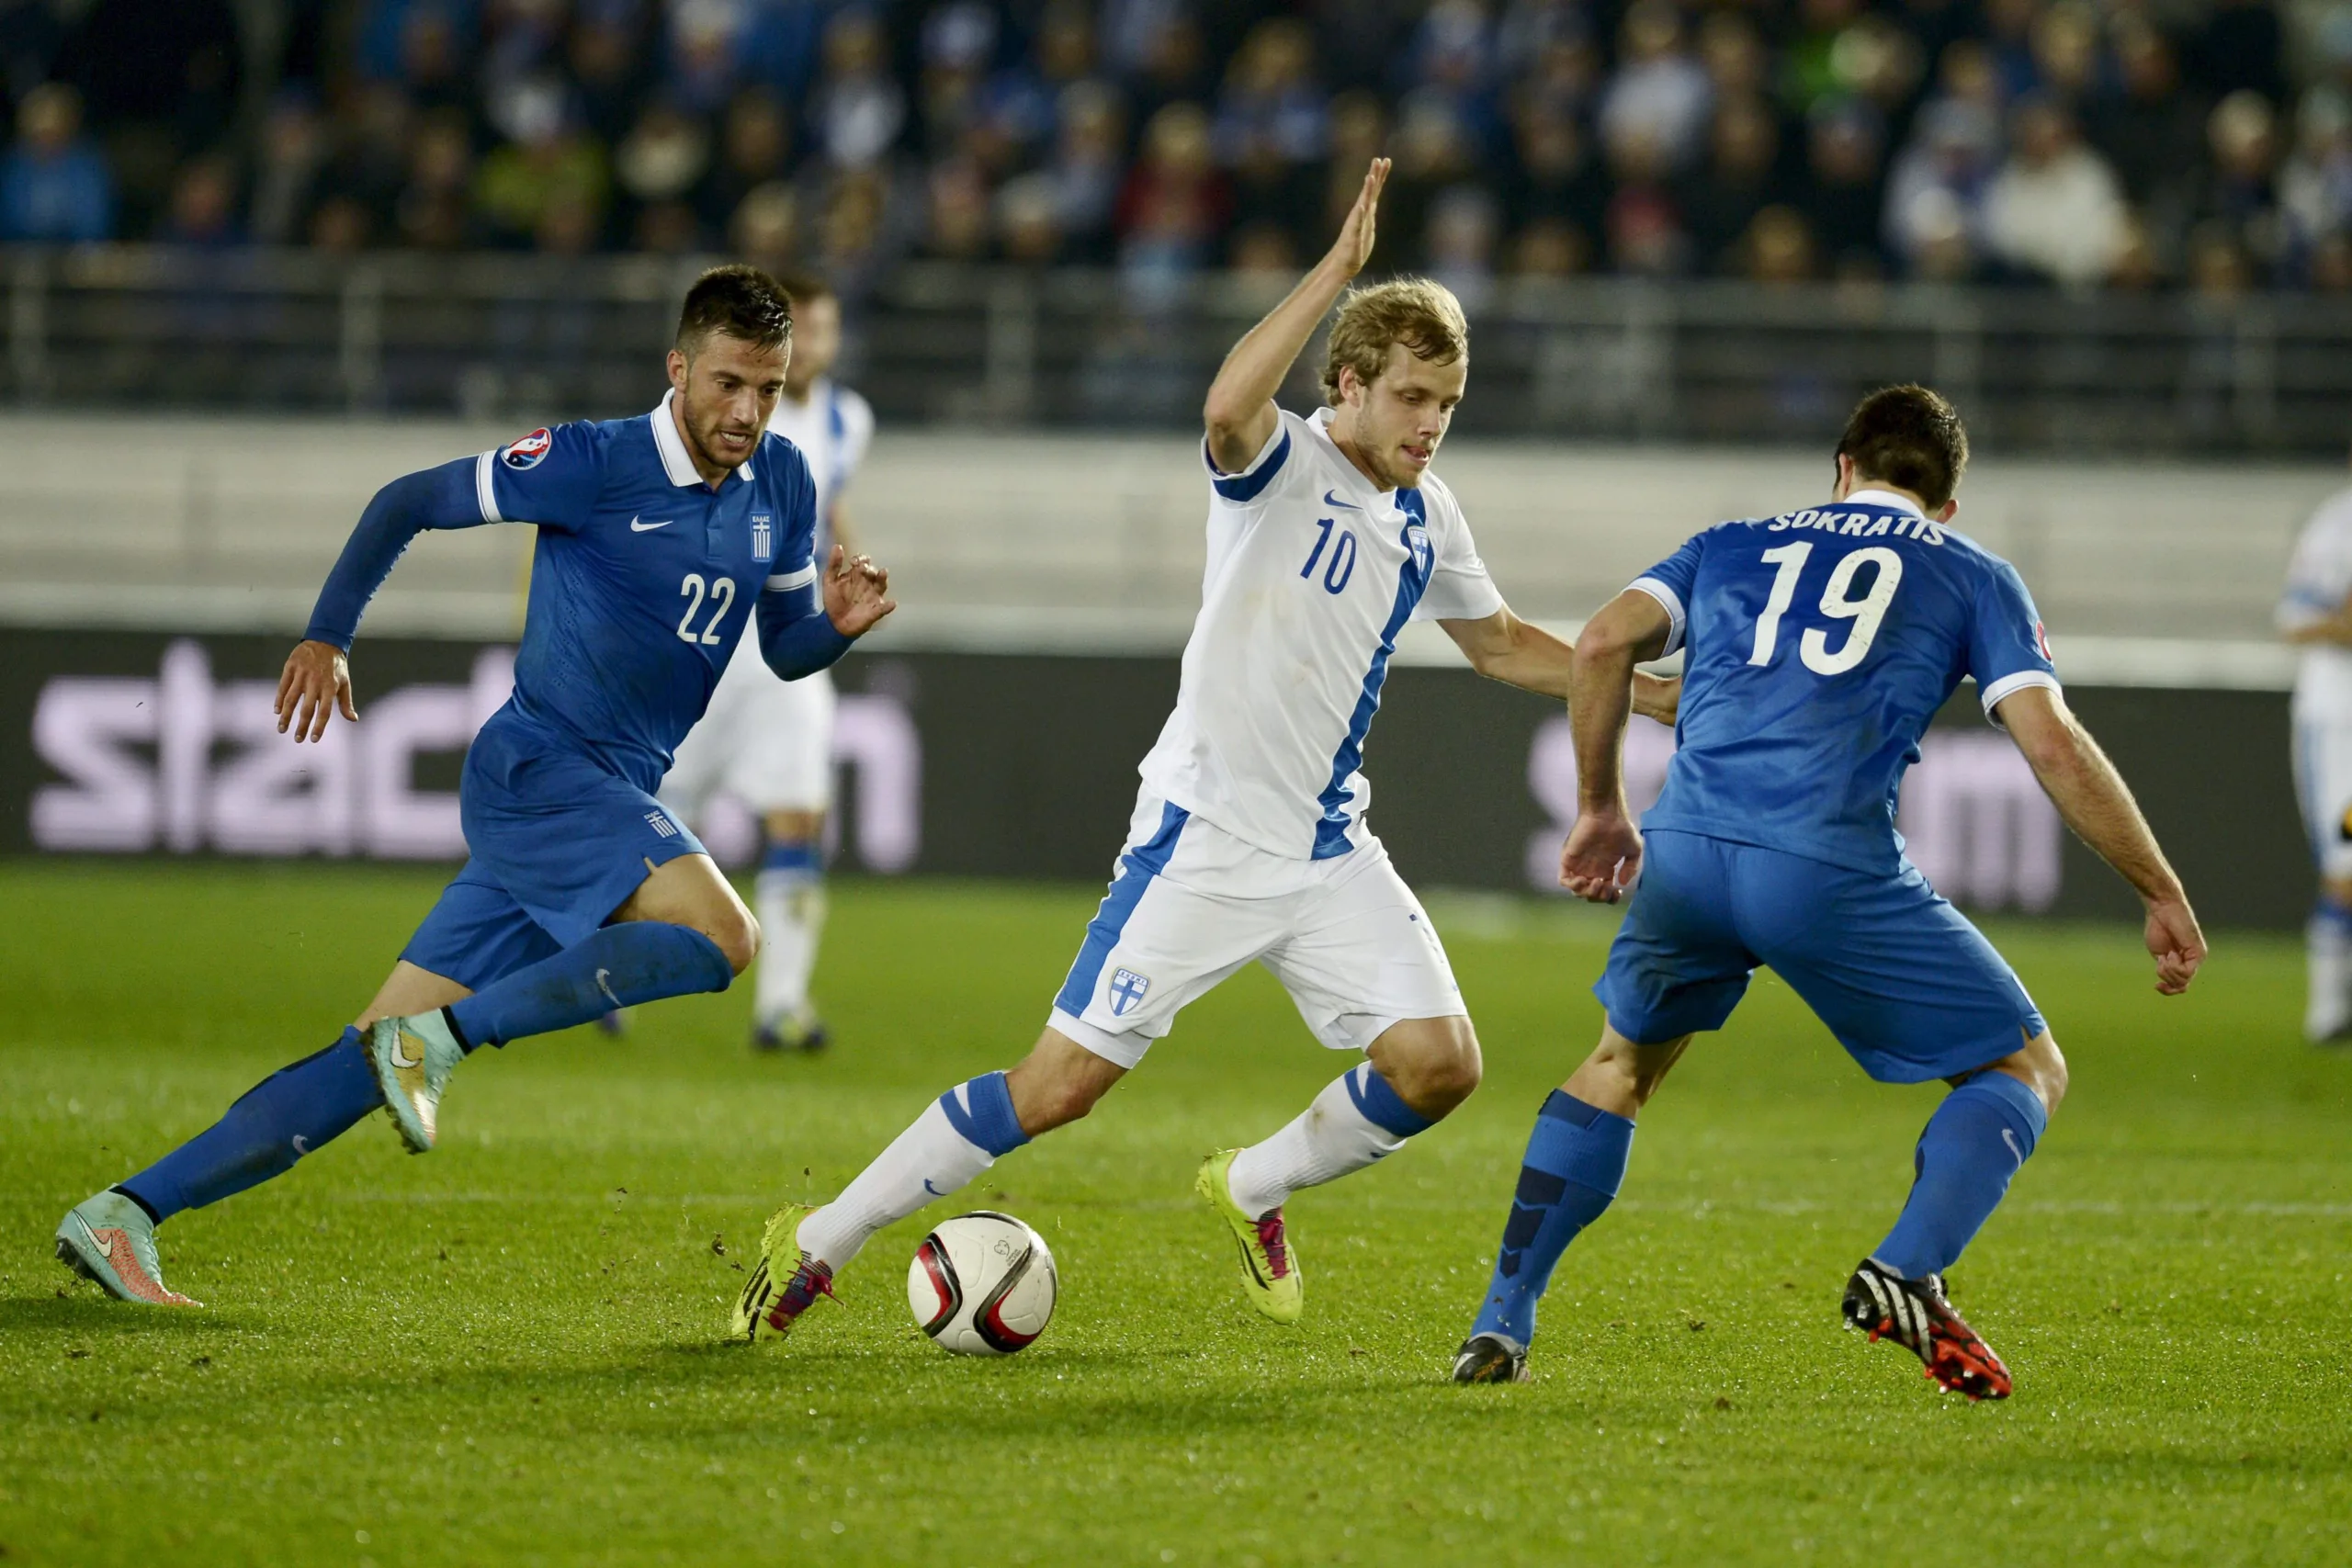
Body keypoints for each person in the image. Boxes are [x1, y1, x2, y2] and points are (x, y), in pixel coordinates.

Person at [731, 160, 1679, 1345]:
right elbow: (1227, 408)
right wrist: (1335, 271)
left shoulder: (1425, 513)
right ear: (1348, 385)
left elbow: (1495, 644)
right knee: (1056, 1090)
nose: (1431, 424)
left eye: (1448, 402)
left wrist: (1650, 696)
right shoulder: (1280, 462)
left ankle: (1252, 1186)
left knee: (1440, 1066)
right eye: (1411, 397)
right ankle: (820, 1236)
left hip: (1326, 847)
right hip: (1205, 837)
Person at [54, 266, 896, 1308]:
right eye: (729, 383)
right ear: (678, 368)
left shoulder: (784, 480)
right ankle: (445, 1041)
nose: (747, 412)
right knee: (726, 938)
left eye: (766, 389)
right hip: (543, 771)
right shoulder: (592, 461)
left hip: (603, 793)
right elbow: (407, 500)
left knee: (364, 1056)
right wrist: (327, 635)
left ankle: (125, 1212)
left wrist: (835, 630)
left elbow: (784, 646)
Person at [1453, 385, 2206, 1398]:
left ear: (1843, 467)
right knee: (2023, 1067)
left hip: (1685, 852)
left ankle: (1500, 1321)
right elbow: (2052, 745)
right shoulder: (1971, 571)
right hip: (1825, 865)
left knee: (1619, 1064)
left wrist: (1598, 808)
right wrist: (2158, 886)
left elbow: (1598, 644)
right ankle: (1907, 1270)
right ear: (1944, 503)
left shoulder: (1730, 543)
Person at [658, 273, 875, 1052]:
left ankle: (782, 1003)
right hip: (706, 635)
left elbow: (826, 505)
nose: (810, 345)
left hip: (788, 636)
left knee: (801, 814)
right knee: (658, 814)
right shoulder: (719, 406)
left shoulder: (849, 420)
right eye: (799, 330)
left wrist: (851, 564)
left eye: (822, 331)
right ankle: (607, 969)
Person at [2278, 469, 2352, 1042]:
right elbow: (2294, 618)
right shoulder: (2338, 525)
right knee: (2347, 868)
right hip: (2339, 726)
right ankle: (2328, 1013)